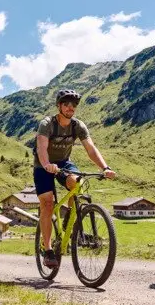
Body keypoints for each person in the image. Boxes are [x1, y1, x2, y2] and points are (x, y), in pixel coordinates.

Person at [34, 89, 116, 268]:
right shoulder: (47, 124)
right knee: (47, 204)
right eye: (66, 104)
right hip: (43, 165)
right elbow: (41, 147)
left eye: (73, 105)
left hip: (63, 162)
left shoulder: (78, 126)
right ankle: (47, 249)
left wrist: (105, 168)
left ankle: (70, 224)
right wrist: (48, 164)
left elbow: (91, 149)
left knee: (77, 182)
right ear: (59, 106)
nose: (70, 107)